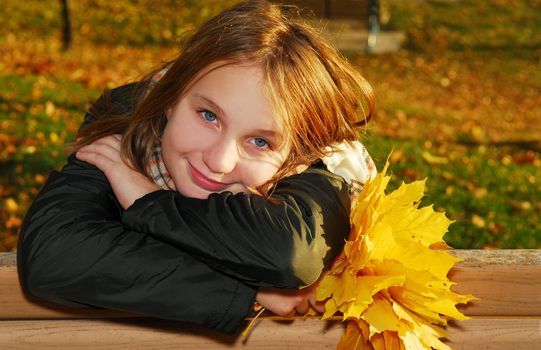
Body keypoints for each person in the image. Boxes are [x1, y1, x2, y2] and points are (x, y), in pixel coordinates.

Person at [17, 0, 376, 335]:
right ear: (171, 97)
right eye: (209, 116)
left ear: (295, 154)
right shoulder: (126, 120)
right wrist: (244, 289)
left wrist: (148, 201)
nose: (219, 161)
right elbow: (53, 254)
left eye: (260, 142)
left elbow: (288, 255)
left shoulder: (321, 160)